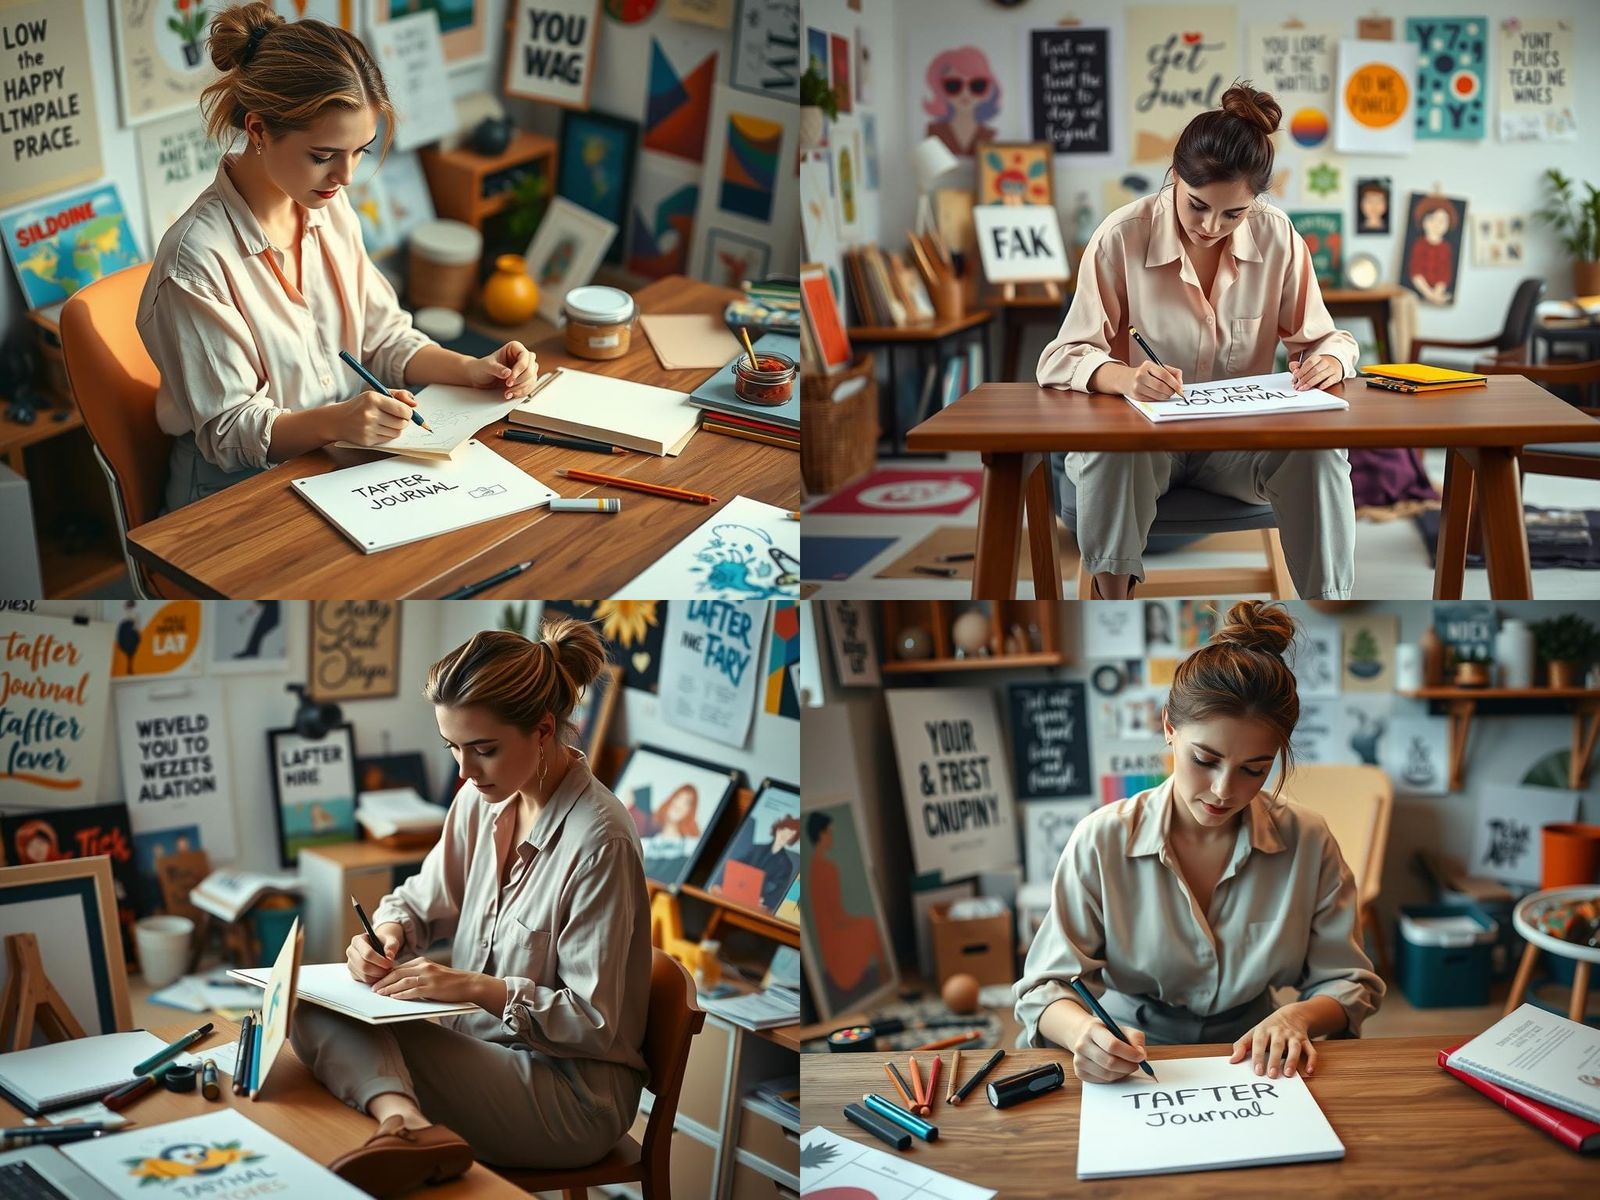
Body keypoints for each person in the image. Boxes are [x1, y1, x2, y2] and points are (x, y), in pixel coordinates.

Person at [289, 618, 650, 1196]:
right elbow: (420, 900)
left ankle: (402, 1128)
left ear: (543, 731)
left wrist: (476, 988)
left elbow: (596, 1023)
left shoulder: (599, 841)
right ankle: (405, 1127)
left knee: (348, 1042)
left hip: (571, 1094)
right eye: (453, 747)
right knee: (308, 1002)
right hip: (480, 1051)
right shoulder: (480, 801)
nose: (463, 770)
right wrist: (386, 933)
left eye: (483, 749)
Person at [139, 3, 538, 512]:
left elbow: (383, 338)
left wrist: (471, 369)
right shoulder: (194, 263)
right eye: (324, 156)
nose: (346, 177)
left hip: (341, 466)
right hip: (234, 496)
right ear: (258, 131)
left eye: (361, 152)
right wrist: (339, 420)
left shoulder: (328, 207)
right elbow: (230, 432)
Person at [1015, 601, 1383, 1085]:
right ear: (1170, 726)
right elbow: (1044, 987)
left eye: (1255, 769)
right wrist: (1084, 1033)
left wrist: (1299, 1018)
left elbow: (1349, 980)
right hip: (1131, 1050)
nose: (1223, 790)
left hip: (1260, 1053)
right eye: (1205, 760)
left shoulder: (1308, 840)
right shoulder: (1102, 839)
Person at [1038, 83, 1360, 600]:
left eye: (1234, 214)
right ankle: (1111, 602)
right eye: (1197, 206)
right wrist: (1126, 378)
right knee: (1109, 451)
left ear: (1255, 201)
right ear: (1174, 176)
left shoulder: (1278, 237)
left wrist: (1329, 361)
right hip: (1141, 447)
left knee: (1321, 450)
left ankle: (1330, 605)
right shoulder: (1120, 237)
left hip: (1238, 450)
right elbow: (1060, 357)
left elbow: (1327, 339)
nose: (1212, 226)